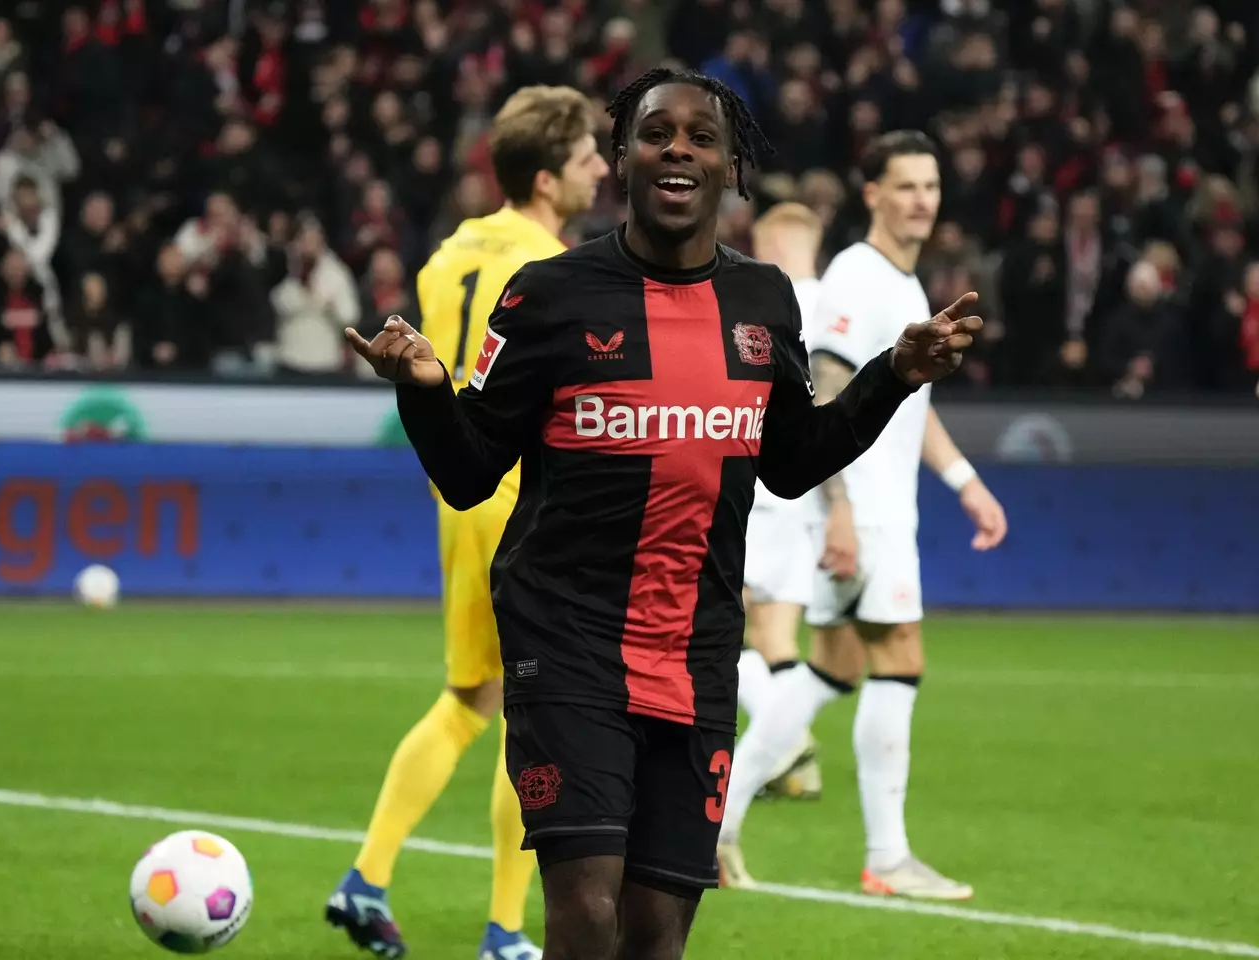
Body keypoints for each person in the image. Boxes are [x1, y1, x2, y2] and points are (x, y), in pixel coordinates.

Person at [347, 70, 984, 960]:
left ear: (731, 168)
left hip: (696, 649)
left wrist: (892, 376)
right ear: (621, 158)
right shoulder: (548, 295)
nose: (678, 147)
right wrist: (425, 393)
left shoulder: (764, 302)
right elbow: (468, 472)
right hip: (567, 643)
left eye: (701, 137)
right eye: (655, 133)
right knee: (586, 910)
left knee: (657, 932)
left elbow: (794, 464)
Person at [326, 84, 609, 960]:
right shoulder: (556, 266)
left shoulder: (446, 256)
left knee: (468, 699)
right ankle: (506, 929)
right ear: (549, 175)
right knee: (532, 707)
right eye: (589, 155)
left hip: (457, 490)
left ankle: (366, 881)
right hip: (525, 495)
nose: (603, 167)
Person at [716, 131, 1009, 902]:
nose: (922, 200)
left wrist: (965, 483)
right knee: (899, 658)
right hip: (863, 511)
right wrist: (837, 511)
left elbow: (912, 409)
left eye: (931, 186)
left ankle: (712, 824)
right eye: (906, 186)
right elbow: (825, 390)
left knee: (832, 668)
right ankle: (887, 856)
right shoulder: (858, 276)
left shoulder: (905, 289)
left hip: (881, 508)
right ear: (872, 193)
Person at [736, 202, 827, 803]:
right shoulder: (842, 302)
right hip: (815, 493)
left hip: (764, 484)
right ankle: (797, 762)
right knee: (777, 636)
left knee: (725, 618)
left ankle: (785, 740)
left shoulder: (770, 303)